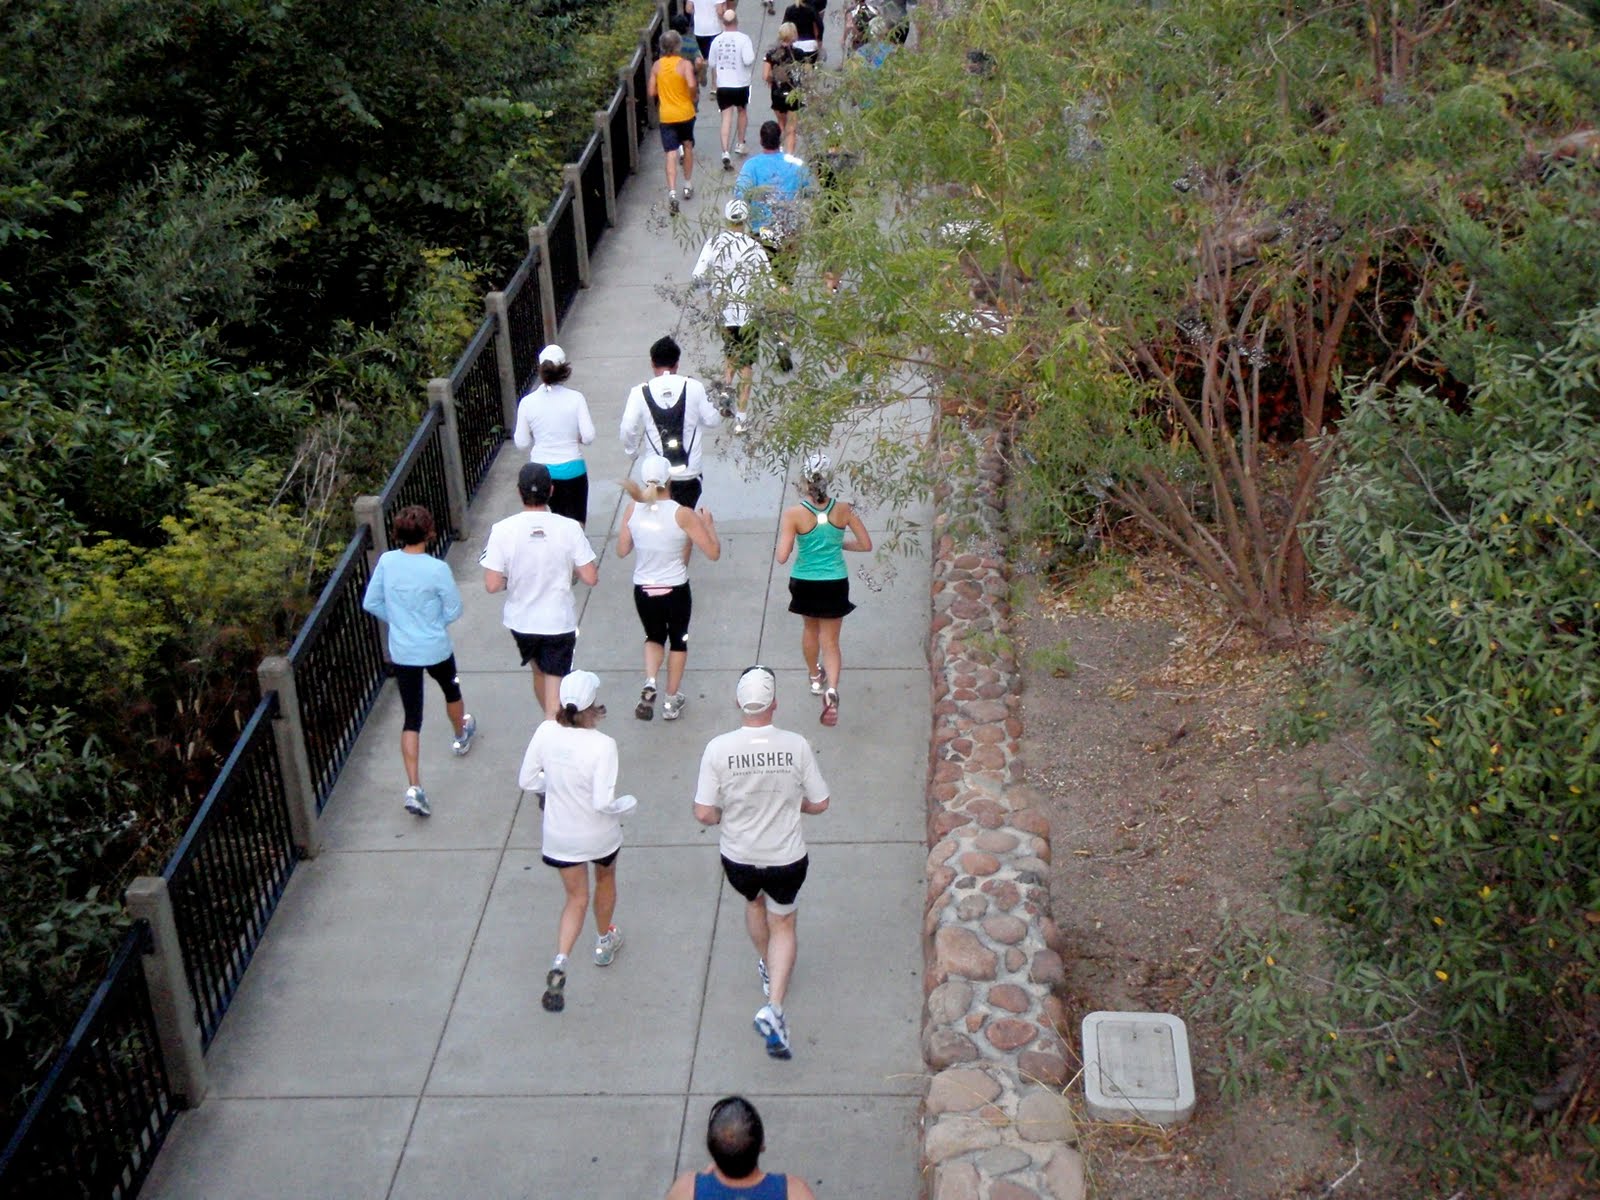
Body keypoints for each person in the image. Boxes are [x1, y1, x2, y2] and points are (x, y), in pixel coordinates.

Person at [694, 666, 830, 1059]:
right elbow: (820, 802)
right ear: (775, 704)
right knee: (783, 921)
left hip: (739, 856)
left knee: (754, 904)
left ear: (739, 703)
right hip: (786, 856)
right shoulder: (796, 746)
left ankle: (766, 965)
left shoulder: (718, 749)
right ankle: (775, 1007)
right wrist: (796, 805)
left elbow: (704, 812)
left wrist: (724, 816)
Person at [519, 670, 637, 1013]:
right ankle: (604, 940)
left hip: (560, 835)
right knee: (605, 879)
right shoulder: (603, 745)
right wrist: (625, 806)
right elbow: (603, 801)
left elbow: (527, 779)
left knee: (575, 898)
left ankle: (560, 959)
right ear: (592, 708)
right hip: (598, 833)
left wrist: (551, 786)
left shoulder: (546, 733)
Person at [361, 505, 475, 818]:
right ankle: (460, 735)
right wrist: (433, 623)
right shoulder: (437, 569)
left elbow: (371, 602)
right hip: (436, 647)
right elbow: (454, 610)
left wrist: (398, 621)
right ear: (429, 533)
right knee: (452, 690)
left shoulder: (387, 562)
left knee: (412, 717)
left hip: (403, 652)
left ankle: (414, 787)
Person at [481, 462, 599, 719]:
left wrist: (511, 581)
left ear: (518, 491)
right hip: (557, 621)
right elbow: (590, 576)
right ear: (552, 490)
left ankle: (550, 718)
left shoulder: (501, 530)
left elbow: (491, 584)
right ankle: (553, 731)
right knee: (557, 684)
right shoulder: (569, 528)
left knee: (539, 672)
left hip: (521, 622)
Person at [616, 454, 722, 722]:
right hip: (675, 589)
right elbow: (713, 553)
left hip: (644, 589)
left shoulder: (632, 510)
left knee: (653, 638)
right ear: (670, 480)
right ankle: (670, 700)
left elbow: (621, 550)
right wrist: (708, 526)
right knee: (677, 642)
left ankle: (650, 681)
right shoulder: (682, 514)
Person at [775, 452, 871, 727]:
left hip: (805, 581)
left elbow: (782, 556)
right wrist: (839, 544)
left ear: (804, 482)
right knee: (831, 641)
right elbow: (865, 544)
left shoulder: (794, 514)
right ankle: (832, 689)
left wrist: (793, 541)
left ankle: (815, 677)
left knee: (810, 630)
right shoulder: (843, 510)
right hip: (835, 581)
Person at [692, 199, 772, 432]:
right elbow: (766, 281)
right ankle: (742, 417)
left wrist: (711, 294)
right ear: (746, 220)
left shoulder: (714, 243)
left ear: (727, 219)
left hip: (724, 311)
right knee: (747, 364)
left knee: (730, 353)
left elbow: (698, 276)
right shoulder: (754, 247)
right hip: (748, 314)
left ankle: (727, 389)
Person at [619, 335, 723, 510]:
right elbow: (713, 420)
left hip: (657, 476)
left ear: (652, 363)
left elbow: (627, 428)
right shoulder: (693, 386)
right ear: (677, 363)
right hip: (689, 474)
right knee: (686, 520)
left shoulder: (639, 392)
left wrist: (632, 452)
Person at [664, 1096, 818, 1200]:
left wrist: (705, 1181)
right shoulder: (794, 1191)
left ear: (711, 1149)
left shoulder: (686, 1190)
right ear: (761, 1145)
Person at [513, 344, 596, 527]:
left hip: (540, 471)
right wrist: (577, 438)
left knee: (543, 525)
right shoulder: (576, 398)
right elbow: (588, 436)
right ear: (565, 369)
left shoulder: (527, 403)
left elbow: (522, 442)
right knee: (575, 526)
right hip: (573, 468)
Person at [648, 29, 699, 214]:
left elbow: (651, 92)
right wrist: (691, 96)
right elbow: (692, 84)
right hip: (685, 112)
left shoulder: (657, 66)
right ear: (678, 46)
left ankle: (671, 192)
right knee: (687, 146)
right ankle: (687, 184)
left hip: (667, 115)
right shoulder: (684, 65)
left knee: (670, 152)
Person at [708, 8, 756, 170]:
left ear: (723, 23)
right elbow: (749, 59)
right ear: (736, 21)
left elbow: (712, 63)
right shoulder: (744, 39)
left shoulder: (716, 41)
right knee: (742, 111)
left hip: (723, 84)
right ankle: (740, 143)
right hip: (741, 83)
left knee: (726, 117)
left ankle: (725, 151)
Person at [762, 25, 805, 157]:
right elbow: (806, 73)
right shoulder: (799, 54)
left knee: (781, 123)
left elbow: (765, 75)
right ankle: (789, 155)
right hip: (794, 93)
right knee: (791, 128)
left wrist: (773, 80)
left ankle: (779, 150)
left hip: (777, 93)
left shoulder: (771, 54)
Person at [685, 0, 726, 64]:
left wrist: (698, 12)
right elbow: (720, 11)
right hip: (714, 29)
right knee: (716, 59)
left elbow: (688, 9)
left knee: (705, 58)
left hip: (699, 29)